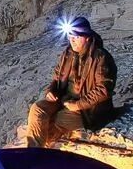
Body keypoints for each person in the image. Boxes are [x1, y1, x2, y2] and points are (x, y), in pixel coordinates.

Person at [25, 16, 117, 149]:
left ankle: (39, 153)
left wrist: (78, 105)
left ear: (87, 37)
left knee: (57, 119)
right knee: (37, 109)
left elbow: (103, 90)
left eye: (76, 36)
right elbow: (57, 78)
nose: (72, 40)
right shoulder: (68, 54)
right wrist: (51, 90)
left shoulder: (100, 58)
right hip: (64, 100)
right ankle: (32, 153)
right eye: (70, 35)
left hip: (88, 110)